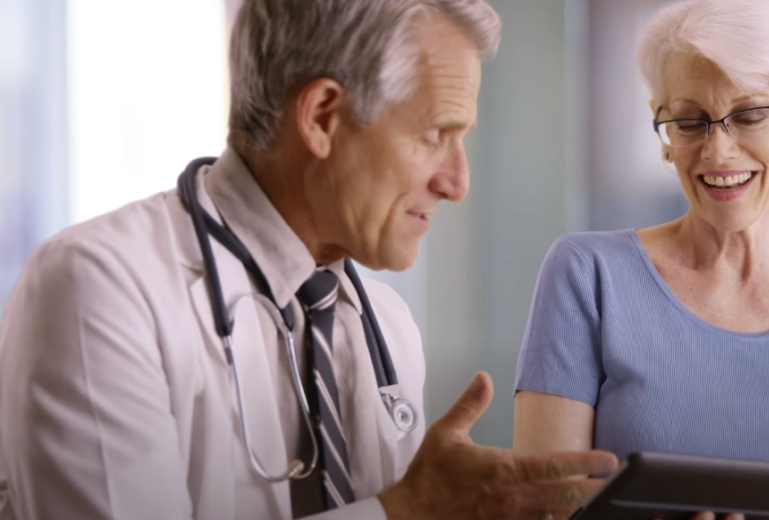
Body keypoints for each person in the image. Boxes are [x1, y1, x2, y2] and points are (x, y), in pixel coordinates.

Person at [0, 1, 617, 519]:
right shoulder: (100, 289)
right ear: (323, 117)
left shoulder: (387, 327)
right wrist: (406, 508)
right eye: (436, 136)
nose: (458, 182)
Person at [512, 0, 769, 519]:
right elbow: (538, 512)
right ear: (665, 134)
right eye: (690, 122)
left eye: (749, 115)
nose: (717, 152)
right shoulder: (588, 276)